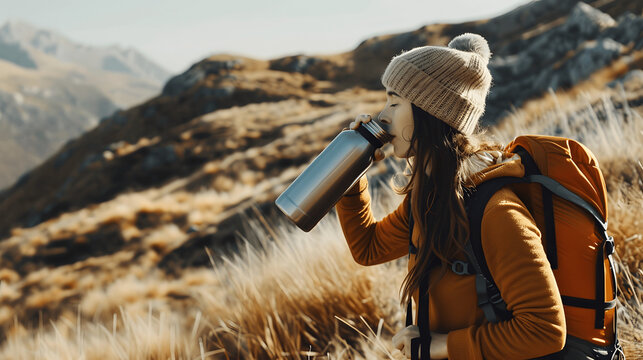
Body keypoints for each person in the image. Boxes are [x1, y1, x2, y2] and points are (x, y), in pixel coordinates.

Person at [336, 33, 566, 359]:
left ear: (432, 113)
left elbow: (546, 330)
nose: (383, 115)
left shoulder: (497, 213)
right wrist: (350, 171)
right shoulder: (430, 198)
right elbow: (368, 248)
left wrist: (441, 345)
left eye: (395, 102)